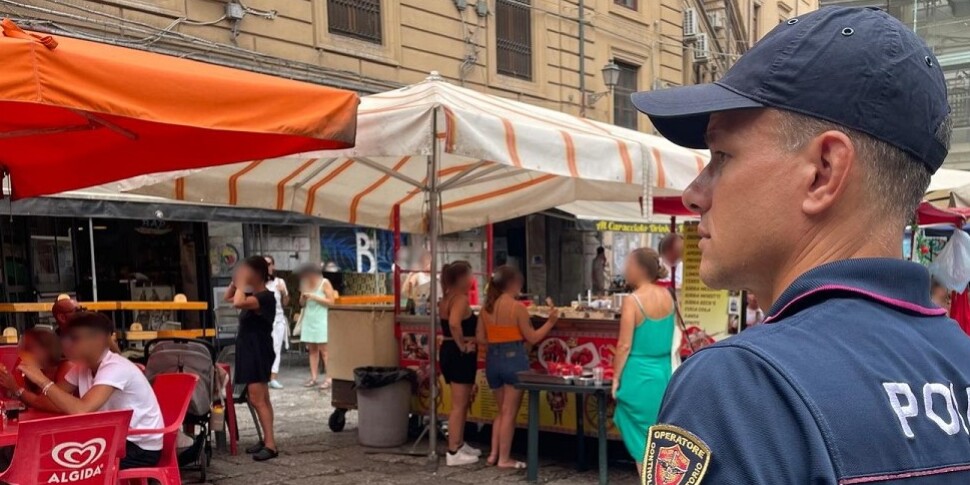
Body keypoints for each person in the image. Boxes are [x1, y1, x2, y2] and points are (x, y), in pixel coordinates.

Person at [631, 6, 970, 483]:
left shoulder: (742, 389)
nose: (694, 194)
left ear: (823, 172)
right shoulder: (958, 357)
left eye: (722, 156)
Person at [18, 312, 164, 469]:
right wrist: (18, 390)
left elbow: (81, 409)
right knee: (45, 454)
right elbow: (51, 400)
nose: (67, 345)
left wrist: (41, 380)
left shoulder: (116, 367)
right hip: (113, 437)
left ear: (97, 341)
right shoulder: (83, 367)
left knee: (61, 464)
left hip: (139, 446)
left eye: (75, 339)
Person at [476, 266, 559, 469]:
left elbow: (480, 338)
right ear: (513, 284)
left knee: (501, 410)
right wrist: (550, 322)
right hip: (513, 361)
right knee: (509, 412)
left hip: (493, 361)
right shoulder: (517, 308)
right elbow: (532, 337)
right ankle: (504, 459)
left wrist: (498, 339)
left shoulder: (486, 307)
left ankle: (493, 454)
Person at [611, 248, 677, 475]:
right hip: (663, 374)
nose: (625, 270)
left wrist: (615, 378)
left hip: (638, 376)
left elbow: (624, 345)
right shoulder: (668, 296)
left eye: (628, 265)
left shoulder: (633, 301)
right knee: (658, 437)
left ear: (639, 269)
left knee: (641, 442)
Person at [224, 256, 278, 461]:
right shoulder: (252, 294)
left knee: (257, 398)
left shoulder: (265, 297)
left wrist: (242, 280)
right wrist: (235, 281)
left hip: (258, 350)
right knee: (261, 397)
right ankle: (266, 439)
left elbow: (237, 302)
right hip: (251, 350)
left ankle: (271, 445)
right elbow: (229, 298)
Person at [437, 261, 481, 466]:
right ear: (463, 278)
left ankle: (459, 442)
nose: (473, 279)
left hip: (448, 351)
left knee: (460, 403)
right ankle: (453, 451)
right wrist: (463, 345)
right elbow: (454, 323)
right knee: (459, 404)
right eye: (470, 275)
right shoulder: (460, 299)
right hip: (458, 353)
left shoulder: (446, 298)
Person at [0, 327, 74, 413]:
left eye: (29, 348)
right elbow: (24, 401)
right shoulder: (32, 371)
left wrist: (16, 389)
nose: (23, 352)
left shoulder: (67, 367)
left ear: (47, 349)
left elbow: (55, 405)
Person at [297, 263, 336, 390]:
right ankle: (313, 377)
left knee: (324, 350)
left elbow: (331, 302)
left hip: (321, 318)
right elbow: (301, 303)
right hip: (309, 318)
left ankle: (329, 378)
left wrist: (314, 296)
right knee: (312, 350)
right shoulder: (304, 283)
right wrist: (303, 297)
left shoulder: (325, 282)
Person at [264, 255, 290, 390]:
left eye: (269, 264)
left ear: (273, 266)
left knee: (276, 349)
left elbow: (285, 303)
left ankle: (273, 377)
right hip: (264, 320)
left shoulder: (279, 282)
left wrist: (284, 292)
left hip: (278, 319)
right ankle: (264, 376)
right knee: (263, 349)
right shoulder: (258, 282)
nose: (267, 266)